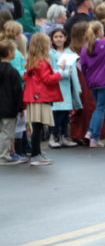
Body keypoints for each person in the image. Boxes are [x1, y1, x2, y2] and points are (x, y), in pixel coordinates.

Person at [23, 33, 65, 166]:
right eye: (48, 43)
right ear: (43, 46)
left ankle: (37, 153)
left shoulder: (33, 60)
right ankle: (36, 155)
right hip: (40, 97)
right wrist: (61, 72)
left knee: (37, 127)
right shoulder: (42, 62)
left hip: (35, 97)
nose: (50, 45)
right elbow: (48, 79)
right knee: (38, 127)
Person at [80, 21, 105, 147]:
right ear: (99, 32)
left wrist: (88, 78)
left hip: (92, 82)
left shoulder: (85, 48)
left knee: (98, 107)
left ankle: (91, 132)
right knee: (101, 108)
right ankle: (94, 136)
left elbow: (83, 67)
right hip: (104, 81)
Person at [49, 28, 81, 148]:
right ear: (52, 39)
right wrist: (65, 72)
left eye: (60, 36)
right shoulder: (50, 54)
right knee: (57, 113)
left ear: (65, 38)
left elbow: (75, 72)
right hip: (56, 85)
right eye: (56, 37)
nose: (58, 39)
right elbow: (51, 71)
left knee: (66, 113)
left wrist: (77, 87)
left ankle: (64, 136)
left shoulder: (70, 53)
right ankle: (53, 136)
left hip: (67, 86)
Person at [0, 40, 26, 165]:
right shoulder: (13, 72)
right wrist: (21, 108)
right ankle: (3, 156)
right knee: (7, 132)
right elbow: (17, 92)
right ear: (10, 53)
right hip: (9, 108)